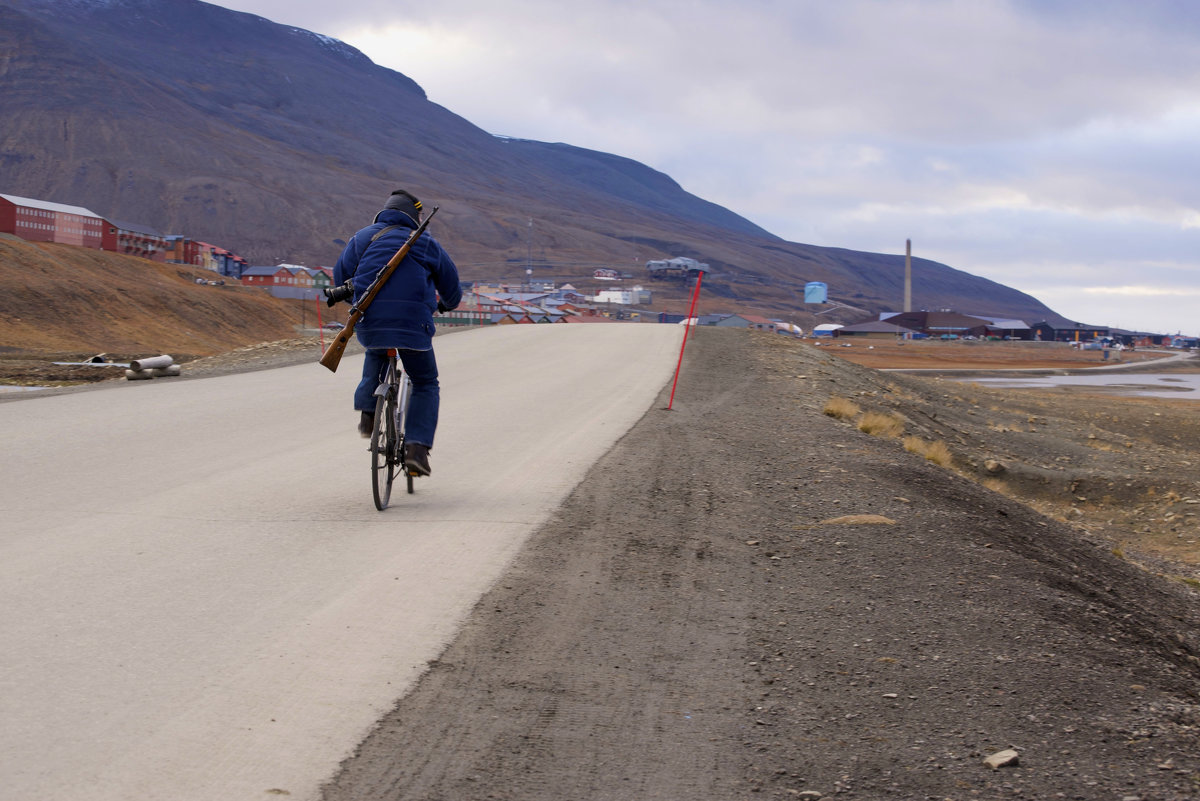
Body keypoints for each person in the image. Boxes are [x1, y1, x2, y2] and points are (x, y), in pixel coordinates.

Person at [333, 189, 461, 476]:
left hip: (370, 320)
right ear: (415, 217)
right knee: (426, 383)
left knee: (376, 351)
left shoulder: (363, 237)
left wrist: (357, 303)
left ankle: (368, 412)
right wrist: (445, 304)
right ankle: (417, 449)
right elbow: (451, 287)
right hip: (414, 325)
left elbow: (340, 279)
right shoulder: (425, 241)